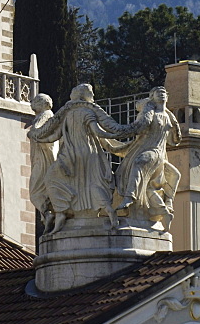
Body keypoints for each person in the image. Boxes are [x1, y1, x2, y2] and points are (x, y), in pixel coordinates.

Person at [28, 83, 132, 233]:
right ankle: (63, 213)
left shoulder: (71, 112)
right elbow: (101, 131)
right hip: (84, 153)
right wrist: (116, 137)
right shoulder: (82, 111)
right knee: (92, 183)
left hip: (72, 155)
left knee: (54, 179)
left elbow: (53, 136)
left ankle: (64, 213)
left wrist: (37, 136)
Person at [112, 86, 181, 230]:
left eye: (164, 93)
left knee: (175, 175)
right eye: (158, 93)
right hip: (148, 149)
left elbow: (175, 140)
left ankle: (167, 204)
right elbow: (139, 127)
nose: (162, 94)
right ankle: (129, 198)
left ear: (167, 97)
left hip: (161, 154)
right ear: (152, 97)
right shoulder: (149, 113)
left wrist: (173, 121)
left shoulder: (168, 116)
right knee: (139, 163)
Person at [27, 93, 56, 233]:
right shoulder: (45, 115)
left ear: (42, 103)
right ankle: (48, 213)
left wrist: (31, 133)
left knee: (34, 191)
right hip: (41, 157)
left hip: (43, 159)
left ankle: (47, 213)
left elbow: (36, 130)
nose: (32, 103)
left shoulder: (46, 114)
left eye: (35, 101)